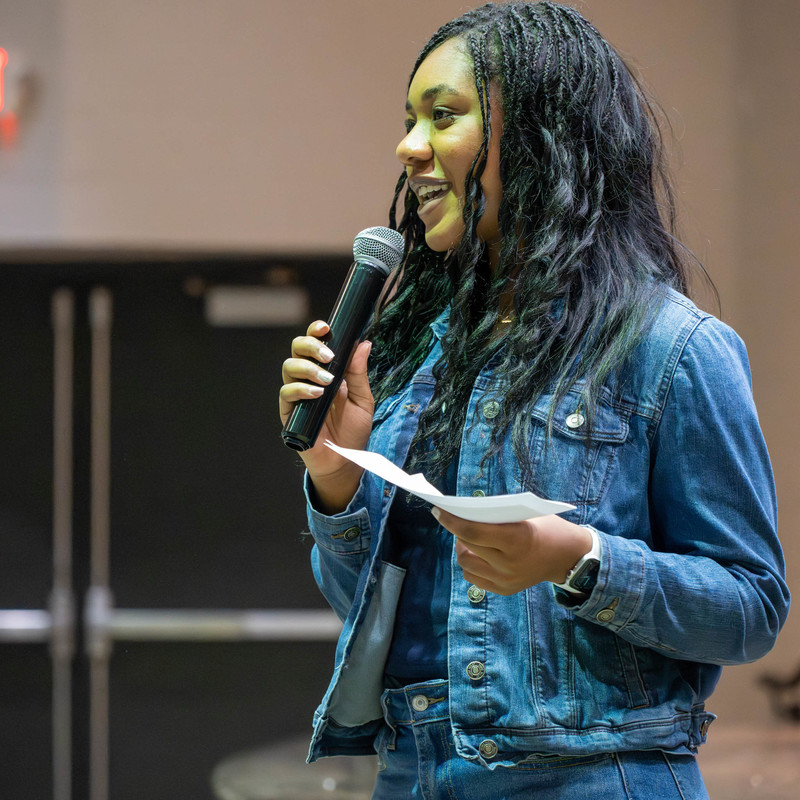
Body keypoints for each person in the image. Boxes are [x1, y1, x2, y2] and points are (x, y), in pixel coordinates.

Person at [279, 2, 790, 797]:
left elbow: (751, 607)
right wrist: (334, 477)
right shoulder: (421, 352)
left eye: (442, 116)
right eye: (410, 120)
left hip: (585, 776)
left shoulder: (670, 346)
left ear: (543, 135)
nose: (409, 148)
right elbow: (363, 609)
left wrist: (578, 561)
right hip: (413, 772)